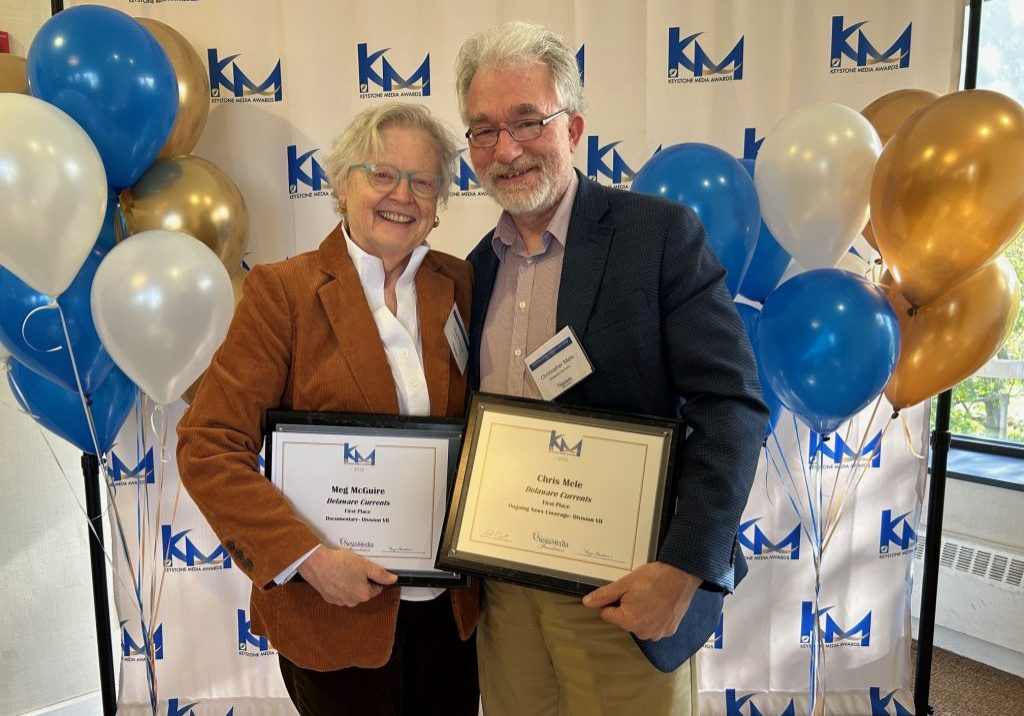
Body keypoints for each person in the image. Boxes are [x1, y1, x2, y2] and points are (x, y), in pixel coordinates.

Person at [454, 21, 769, 715]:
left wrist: (687, 568)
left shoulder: (656, 237)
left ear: (573, 129)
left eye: (527, 120)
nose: (506, 148)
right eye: (483, 130)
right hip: (505, 601)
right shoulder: (471, 272)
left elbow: (733, 405)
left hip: (622, 600)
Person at [176, 103, 479, 716]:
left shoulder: (462, 283)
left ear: (440, 202)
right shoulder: (282, 293)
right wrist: (308, 559)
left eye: (424, 182)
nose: (403, 195)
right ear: (342, 185)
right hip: (334, 614)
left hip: (452, 617)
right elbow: (207, 443)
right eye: (383, 174)